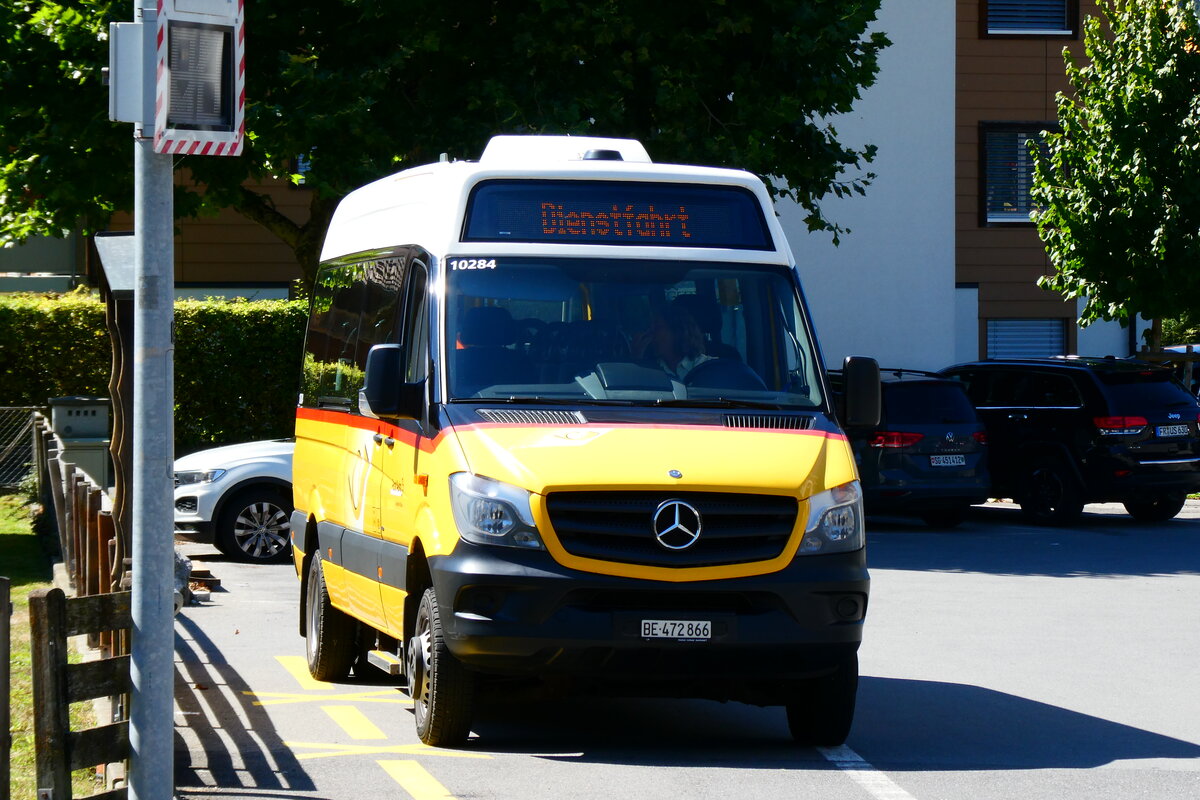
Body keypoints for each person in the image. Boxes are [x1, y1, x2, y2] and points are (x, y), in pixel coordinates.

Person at [632, 300, 714, 381]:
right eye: (651, 329)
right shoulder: (651, 371)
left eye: (657, 327)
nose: (651, 333)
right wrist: (637, 358)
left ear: (677, 331)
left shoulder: (710, 366)